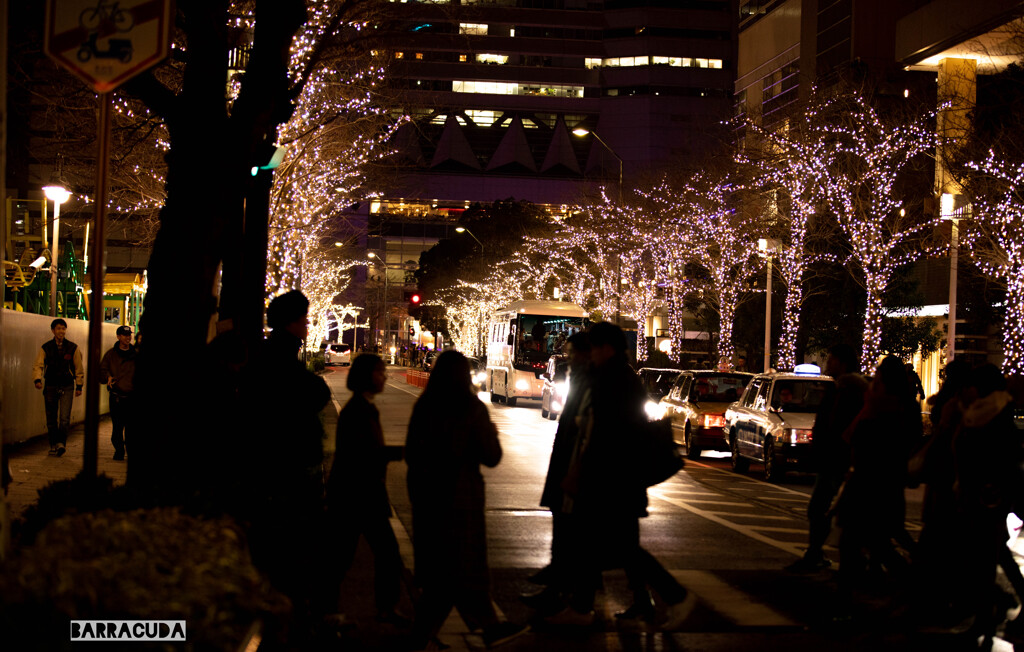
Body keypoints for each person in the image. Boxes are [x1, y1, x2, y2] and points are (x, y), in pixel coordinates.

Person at [553, 322, 696, 629]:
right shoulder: (614, 376)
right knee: (602, 544)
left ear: (607, 348)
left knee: (616, 547)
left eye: (593, 348)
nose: (589, 354)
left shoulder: (613, 380)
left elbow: (605, 433)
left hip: (613, 479)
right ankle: (586, 606)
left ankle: (676, 596)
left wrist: (579, 470)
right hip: (615, 478)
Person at [405, 351, 527, 649]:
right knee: (459, 571)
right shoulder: (471, 408)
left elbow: (412, 453)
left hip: (428, 498)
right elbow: (491, 455)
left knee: (443, 571)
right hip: (462, 499)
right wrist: (491, 434)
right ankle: (482, 627)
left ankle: (486, 625)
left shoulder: (425, 405)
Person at [243, 290, 332, 638]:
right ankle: (292, 618)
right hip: (286, 467)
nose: (308, 324)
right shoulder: (280, 358)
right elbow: (312, 393)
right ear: (291, 323)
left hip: (277, 462)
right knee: (294, 545)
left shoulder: (270, 355)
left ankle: (292, 612)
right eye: (304, 318)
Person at [834, 355, 922, 617]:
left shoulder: (885, 412)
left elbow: (859, 443)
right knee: (870, 544)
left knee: (863, 544)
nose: (873, 385)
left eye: (878, 380)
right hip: (878, 486)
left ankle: (916, 589)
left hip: (872, 487)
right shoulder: (896, 409)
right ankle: (914, 589)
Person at [325, 354, 407, 625]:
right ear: (366, 376)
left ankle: (332, 608)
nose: (384, 377)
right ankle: (329, 610)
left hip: (356, 493)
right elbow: (365, 454)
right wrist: (402, 453)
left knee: (350, 554)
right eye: (380, 372)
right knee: (358, 554)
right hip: (358, 494)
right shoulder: (358, 410)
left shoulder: (362, 407)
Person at [523, 332, 593, 614]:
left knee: (576, 538)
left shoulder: (592, 383)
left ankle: (571, 598)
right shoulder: (582, 381)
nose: (569, 360)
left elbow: (586, 431)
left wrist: (574, 471)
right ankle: (562, 590)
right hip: (569, 465)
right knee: (571, 536)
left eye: (573, 354)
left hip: (576, 470)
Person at [786, 344, 867, 574]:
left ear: (842, 363)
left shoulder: (848, 391)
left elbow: (836, 425)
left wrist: (828, 447)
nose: (827, 363)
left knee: (824, 508)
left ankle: (832, 558)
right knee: (829, 509)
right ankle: (832, 556)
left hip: (837, 458)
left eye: (831, 359)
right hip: (835, 457)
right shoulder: (841, 388)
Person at [32, 318, 84, 456]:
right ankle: (53, 444)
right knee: (51, 418)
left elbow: (79, 367)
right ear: (53, 331)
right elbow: (38, 365)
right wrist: (37, 379)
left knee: (64, 418)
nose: (61, 331)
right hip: (51, 385)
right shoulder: (46, 348)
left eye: (63, 328)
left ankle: (61, 443)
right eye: (58, 328)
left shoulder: (73, 348)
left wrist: (79, 385)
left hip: (67, 385)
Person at [99, 325, 137, 461]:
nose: (128, 337)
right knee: (117, 426)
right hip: (117, 397)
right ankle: (119, 450)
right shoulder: (110, 355)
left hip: (132, 397)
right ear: (118, 337)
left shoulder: (136, 354)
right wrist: (108, 377)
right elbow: (102, 371)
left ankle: (131, 451)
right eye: (125, 335)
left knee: (131, 427)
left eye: (129, 335)